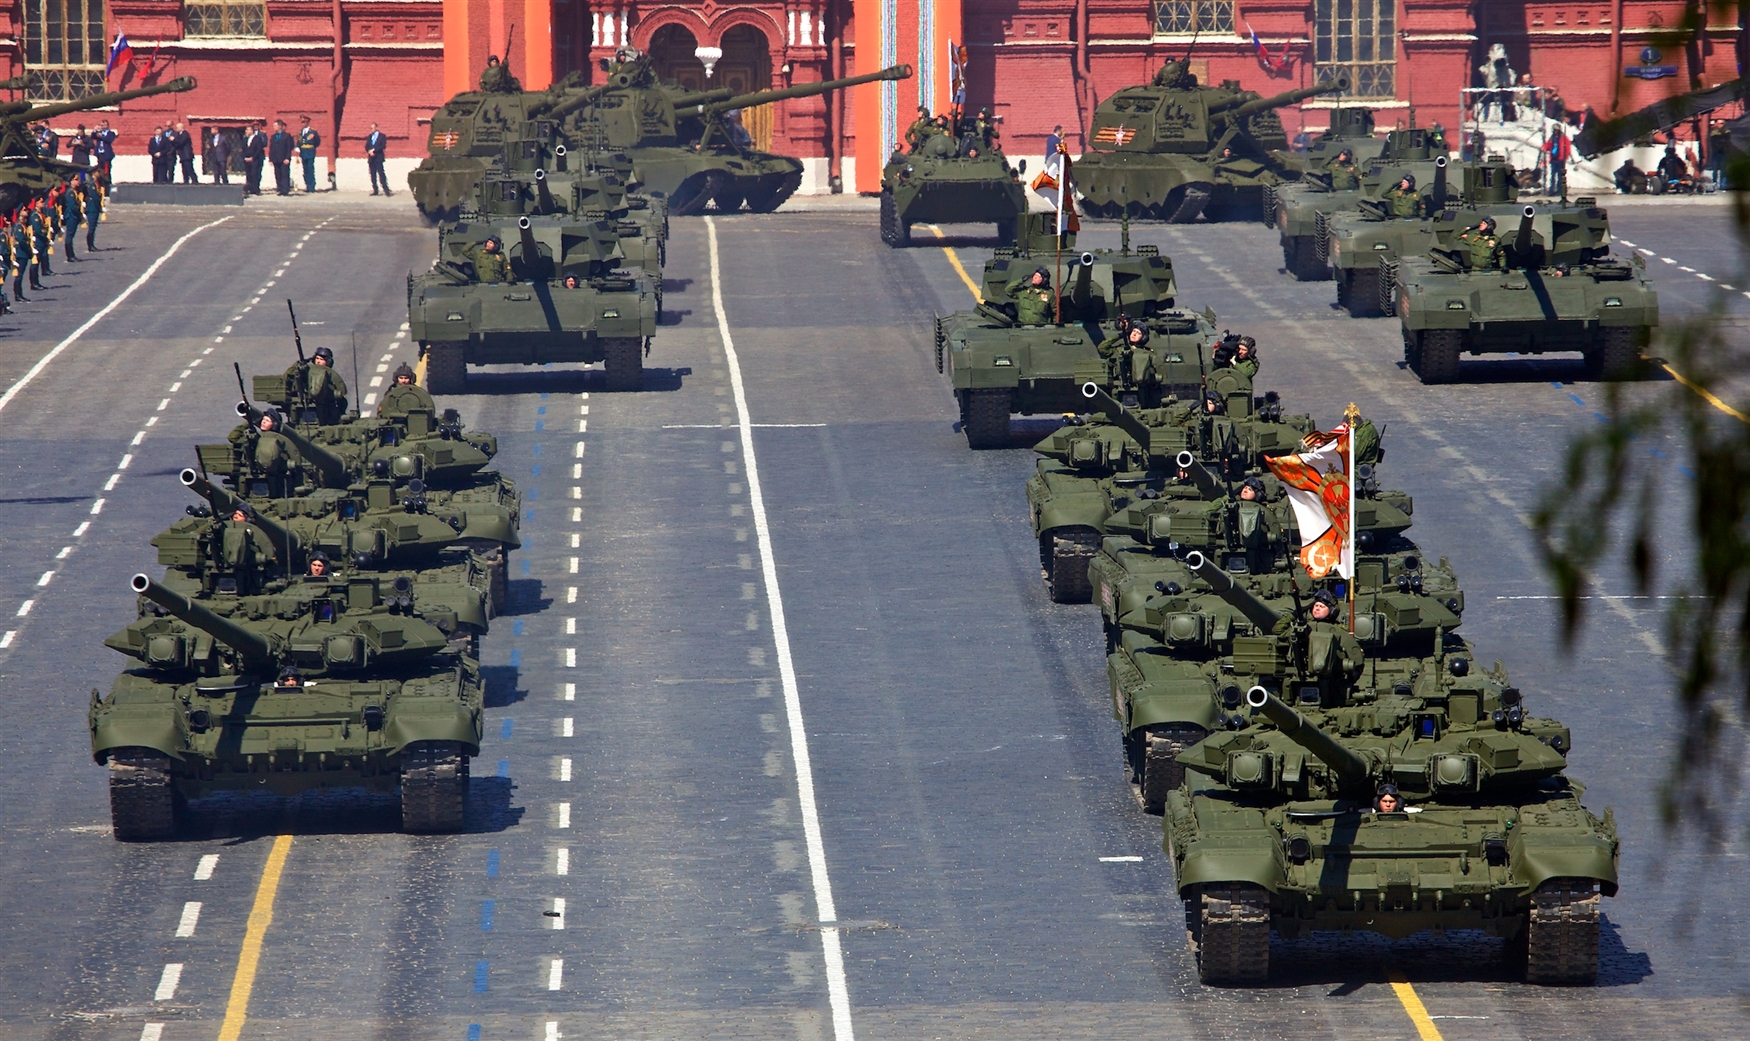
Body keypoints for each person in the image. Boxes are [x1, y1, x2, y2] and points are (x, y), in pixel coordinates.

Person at [1543, 124, 1571, 197]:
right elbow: (1548, 144)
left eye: (1556, 130)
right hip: (1553, 159)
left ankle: (1559, 190)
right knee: (1553, 175)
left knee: (1560, 175)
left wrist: (1566, 155)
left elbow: (1567, 147)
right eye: (1554, 130)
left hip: (1560, 159)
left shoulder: (1564, 138)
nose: (1555, 131)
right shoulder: (1552, 138)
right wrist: (1544, 147)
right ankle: (1552, 190)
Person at [269, 119, 294, 196]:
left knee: (284, 174)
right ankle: (279, 188)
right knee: (277, 174)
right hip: (276, 158)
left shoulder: (286, 136)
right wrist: (271, 159)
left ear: (280, 126)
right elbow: (271, 148)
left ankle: (285, 190)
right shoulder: (273, 137)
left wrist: (287, 158)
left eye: (275, 125)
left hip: (283, 158)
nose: (274, 127)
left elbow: (289, 148)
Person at [242, 122, 268, 195]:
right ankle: (249, 188)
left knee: (255, 174)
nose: (246, 131)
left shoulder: (257, 138)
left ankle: (255, 189)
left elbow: (258, 149)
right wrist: (245, 157)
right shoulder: (245, 139)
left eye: (248, 130)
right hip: (247, 159)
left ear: (252, 131)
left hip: (254, 159)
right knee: (249, 174)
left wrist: (253, 157)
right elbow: (243, 149)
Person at [366, 122, 390, 196]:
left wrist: (374, 150)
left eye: (373, 128)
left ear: (376, 128)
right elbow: (366, 146)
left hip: (378, 158)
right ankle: (375, 190)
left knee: (381, 173)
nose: (371, 129)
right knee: (372, 174)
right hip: (371, 158)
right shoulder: (370, 136)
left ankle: (386, 190)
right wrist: (369, 151)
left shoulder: (382, 136)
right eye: (370, 128)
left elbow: (383, 146)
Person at [297, 115, 320, 192]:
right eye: (302, 122)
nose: (303, 123)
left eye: (305, 122)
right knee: (305, 169)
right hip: (303, 152)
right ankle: (307, 185)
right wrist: (298, 147)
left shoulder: (313, 131)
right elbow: (299, 141)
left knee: (310, 169)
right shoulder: (300, 132)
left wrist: (312, 147)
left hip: (310, 152)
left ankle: (311, 187)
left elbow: (317, 141)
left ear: (308, 122)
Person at [82, 175, 102, 252]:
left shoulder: (97, 184)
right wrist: (99, 206)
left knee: (93, 227)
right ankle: (90, 245)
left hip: (95, 208)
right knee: (91, 227)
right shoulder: (91, 185)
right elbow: (95, 197)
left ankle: (91, 244)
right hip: (92, 208)